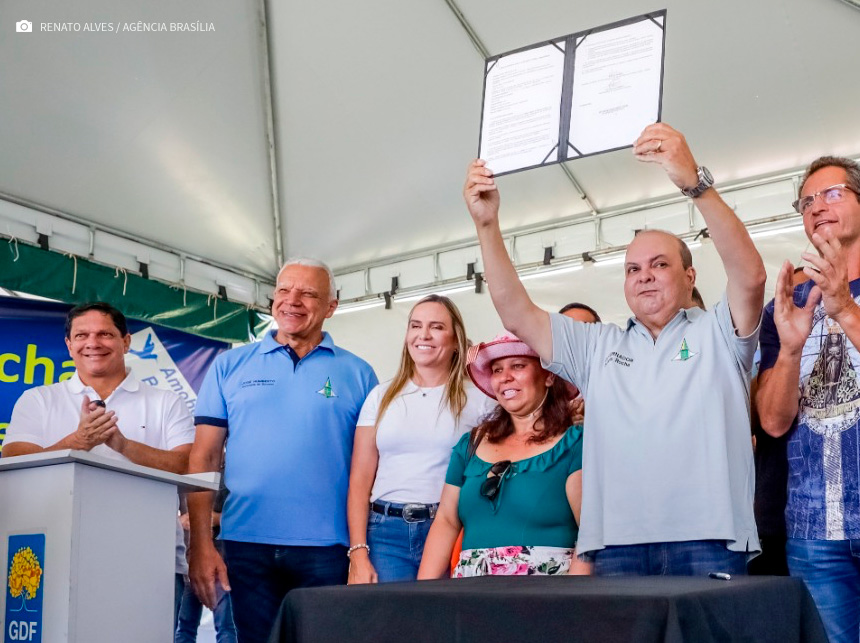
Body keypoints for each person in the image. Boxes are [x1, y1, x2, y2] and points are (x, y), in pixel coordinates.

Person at [462, 122, 766, 576]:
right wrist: (487, 226)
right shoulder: (597, 344)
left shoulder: (719, 332)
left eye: (659, 264)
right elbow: (515, 313)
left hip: (710, 539)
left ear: (690, 277)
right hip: (616, 544)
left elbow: (751, 275)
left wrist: (695, 186)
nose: (643, 275)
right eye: (632, 269)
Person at [187, 257, 377, 643]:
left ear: (331, 307)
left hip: (328, 547)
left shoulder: (360, 374)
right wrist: (200, 545)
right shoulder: (229, 365)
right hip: (246, 544)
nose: (293, 301)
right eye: (285, 290)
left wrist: (360, 550)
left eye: (308, 293)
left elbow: (369, 467)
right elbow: (203, 458)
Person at [2, 302, 194, 624]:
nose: (93, 343)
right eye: (82, 335)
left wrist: (122, 445)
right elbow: (14, 460)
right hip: (56, 558)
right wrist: (78, 442)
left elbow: (186, 465)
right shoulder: (38, 399)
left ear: (126, 342)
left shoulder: (166, 402)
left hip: (149, 561)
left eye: (105, 333)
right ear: (69, 345)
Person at [756, 156, 860, 643]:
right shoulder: (786, 306)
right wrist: (791, 350)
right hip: (813, 529)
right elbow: (774, 423)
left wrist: (845, 310)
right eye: (807, 201)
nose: (817, 206)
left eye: (833, 193)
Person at [346, 295, 493, 583]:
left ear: (456, 340)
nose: (423, 335)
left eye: (436, 327)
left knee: (443, 624)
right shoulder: (380, 396)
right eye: (415, 326)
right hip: (385, 533)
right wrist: (358, 553)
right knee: (392, 625)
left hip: (451, 528)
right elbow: (359, 481)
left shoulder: (481, 400)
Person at [417, 333, 586, 577]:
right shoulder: (471, 444)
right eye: (496, 370)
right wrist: (423, 594)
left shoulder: (575, 443)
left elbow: (590, 535)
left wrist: (575, 601)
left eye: (518, 366)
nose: (505, 377)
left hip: (549, 597)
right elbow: (446, 521)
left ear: (549, 376)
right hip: (472, 595)